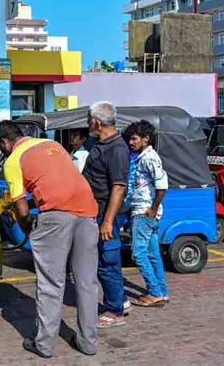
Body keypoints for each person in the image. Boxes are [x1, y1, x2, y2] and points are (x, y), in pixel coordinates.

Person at [0, 120, 99, 359]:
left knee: (51, 283)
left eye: (1, 147)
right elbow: (57, 179)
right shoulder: (53, 144)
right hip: (87, 210)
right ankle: (88, 342)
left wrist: (26, 226)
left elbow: (20, 204)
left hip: (56, 216)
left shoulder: (13, 160)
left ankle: (45, 345)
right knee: (86, 281)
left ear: (4, 143)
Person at [82, 101, 129, 329]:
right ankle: (120, 299)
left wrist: (108, 221)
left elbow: (118, 187)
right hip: (95, 211)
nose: (87, 122)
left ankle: (115, 310)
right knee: (105, 261)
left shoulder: (117, 149)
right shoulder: (100, 144)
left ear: (97, 121)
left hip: (105, 213)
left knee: (107, 262)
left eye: (89, 119)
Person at [123, 120, 170, 307]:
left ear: (145, 139)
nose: (131, 142)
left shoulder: (149, 158)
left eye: (134, 139)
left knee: (138, 253)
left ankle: (155, 292)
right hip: (144, 211)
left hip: (144, 212)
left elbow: (162, 185)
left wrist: (153, 208)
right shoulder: (141, 157)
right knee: (152, 254)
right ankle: (162, 291)